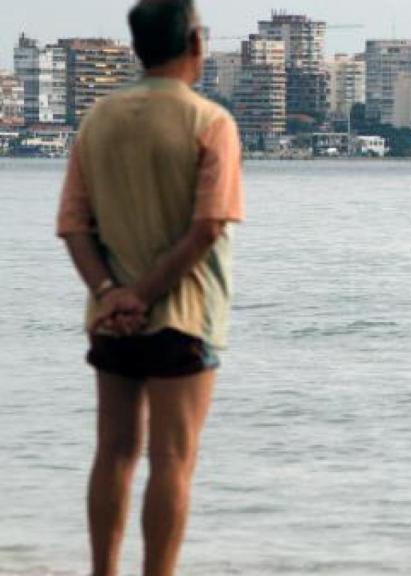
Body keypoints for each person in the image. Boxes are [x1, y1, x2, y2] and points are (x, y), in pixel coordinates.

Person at [55, 1, 244, 574]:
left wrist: (114, 294)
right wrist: (146, 294)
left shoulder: (98, 120)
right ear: (196, 44)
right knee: (172, 460)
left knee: (112, 454)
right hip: (183, 317)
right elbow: (208, 227)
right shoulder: (210, 122)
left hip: (110, 319)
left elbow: (73, 226)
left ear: (137, 49)